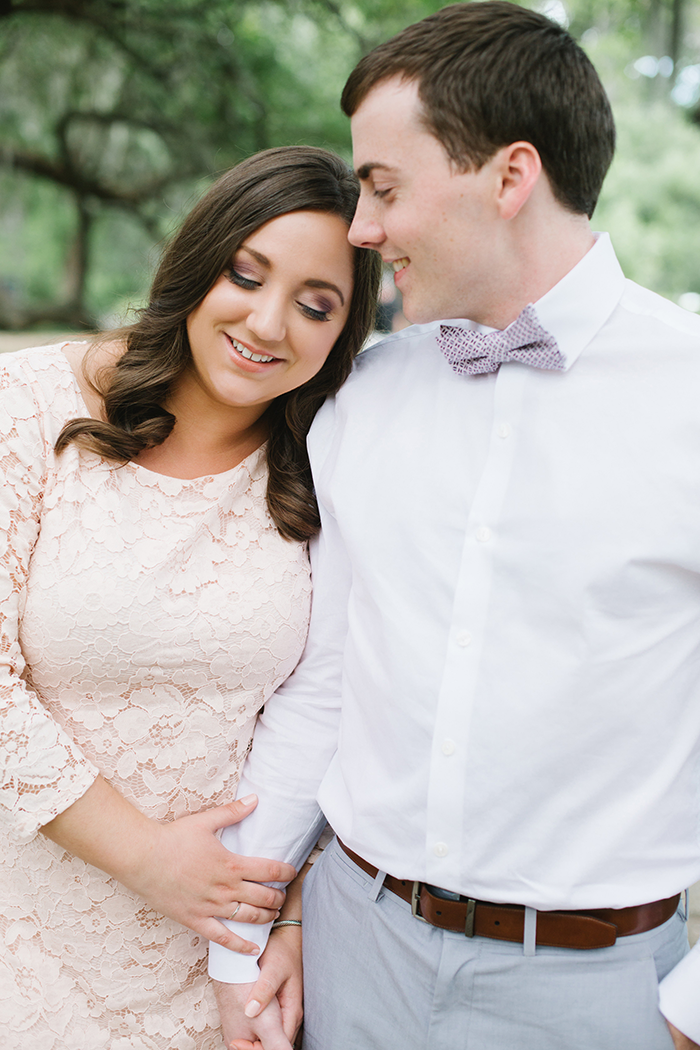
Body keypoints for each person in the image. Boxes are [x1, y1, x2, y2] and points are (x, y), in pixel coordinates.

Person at [211, 5, 700, 1050]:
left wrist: (684, 1011)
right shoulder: (365, 396)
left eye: (383, 187)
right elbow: (326, 683)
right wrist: (245, 936)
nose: (360, 229)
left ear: (509, 177)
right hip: (351, 949)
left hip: (601, 993)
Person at [0, 144, 379, 1049]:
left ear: (344, 331)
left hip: (221, 961)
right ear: (197, 261)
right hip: (28, 936)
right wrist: (146, 858)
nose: (268, 322)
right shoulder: (31, 401)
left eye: (315, 303)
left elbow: (339, 711)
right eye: (245, 275)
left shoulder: (334, 471)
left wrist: (277, 919)